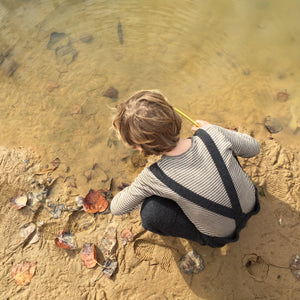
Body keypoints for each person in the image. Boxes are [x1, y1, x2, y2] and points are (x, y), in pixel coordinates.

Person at [110, 90, 260, 248]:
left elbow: (116, 207)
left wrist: (143, 186)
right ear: (174, 116)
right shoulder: (213, 133)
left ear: (140, 149)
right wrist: (215, 129)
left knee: (150, 213)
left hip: (220, 237)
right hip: (251, 204)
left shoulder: (153, 176)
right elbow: (254, 148)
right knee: (224, 148)